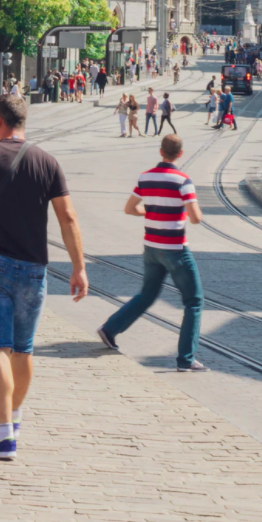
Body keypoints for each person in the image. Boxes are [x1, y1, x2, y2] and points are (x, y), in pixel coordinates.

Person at [0, 94, 88, 460]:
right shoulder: (46, 161)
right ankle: (14, 420)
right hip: (34, 268)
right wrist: (79, 266)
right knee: (23, 348)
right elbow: (68, 218)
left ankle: (4, 437)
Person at [98, 134, 207, 373]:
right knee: (194, 301)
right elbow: (197, 218)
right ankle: (186, 359)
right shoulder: (183, 180)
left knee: (146, 295)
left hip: (151, 247)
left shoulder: (146, 177)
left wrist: (152, 209)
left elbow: (130, 208)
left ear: (161, 152)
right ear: (180, 154)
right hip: (176, 249)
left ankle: (109, 329)